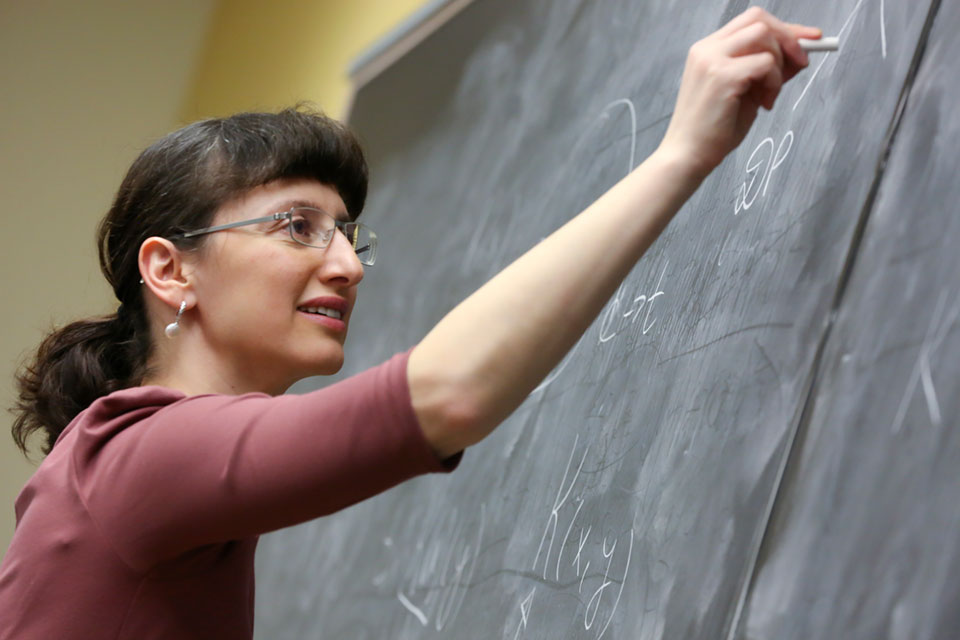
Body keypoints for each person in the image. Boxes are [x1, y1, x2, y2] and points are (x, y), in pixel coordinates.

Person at [0, 8, 821, 639]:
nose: (348, 265)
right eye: (296, 227)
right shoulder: (136, 452)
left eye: (349, 236)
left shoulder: (141, 472)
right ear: (169, 270)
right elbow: (447, 393)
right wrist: (682, 153)